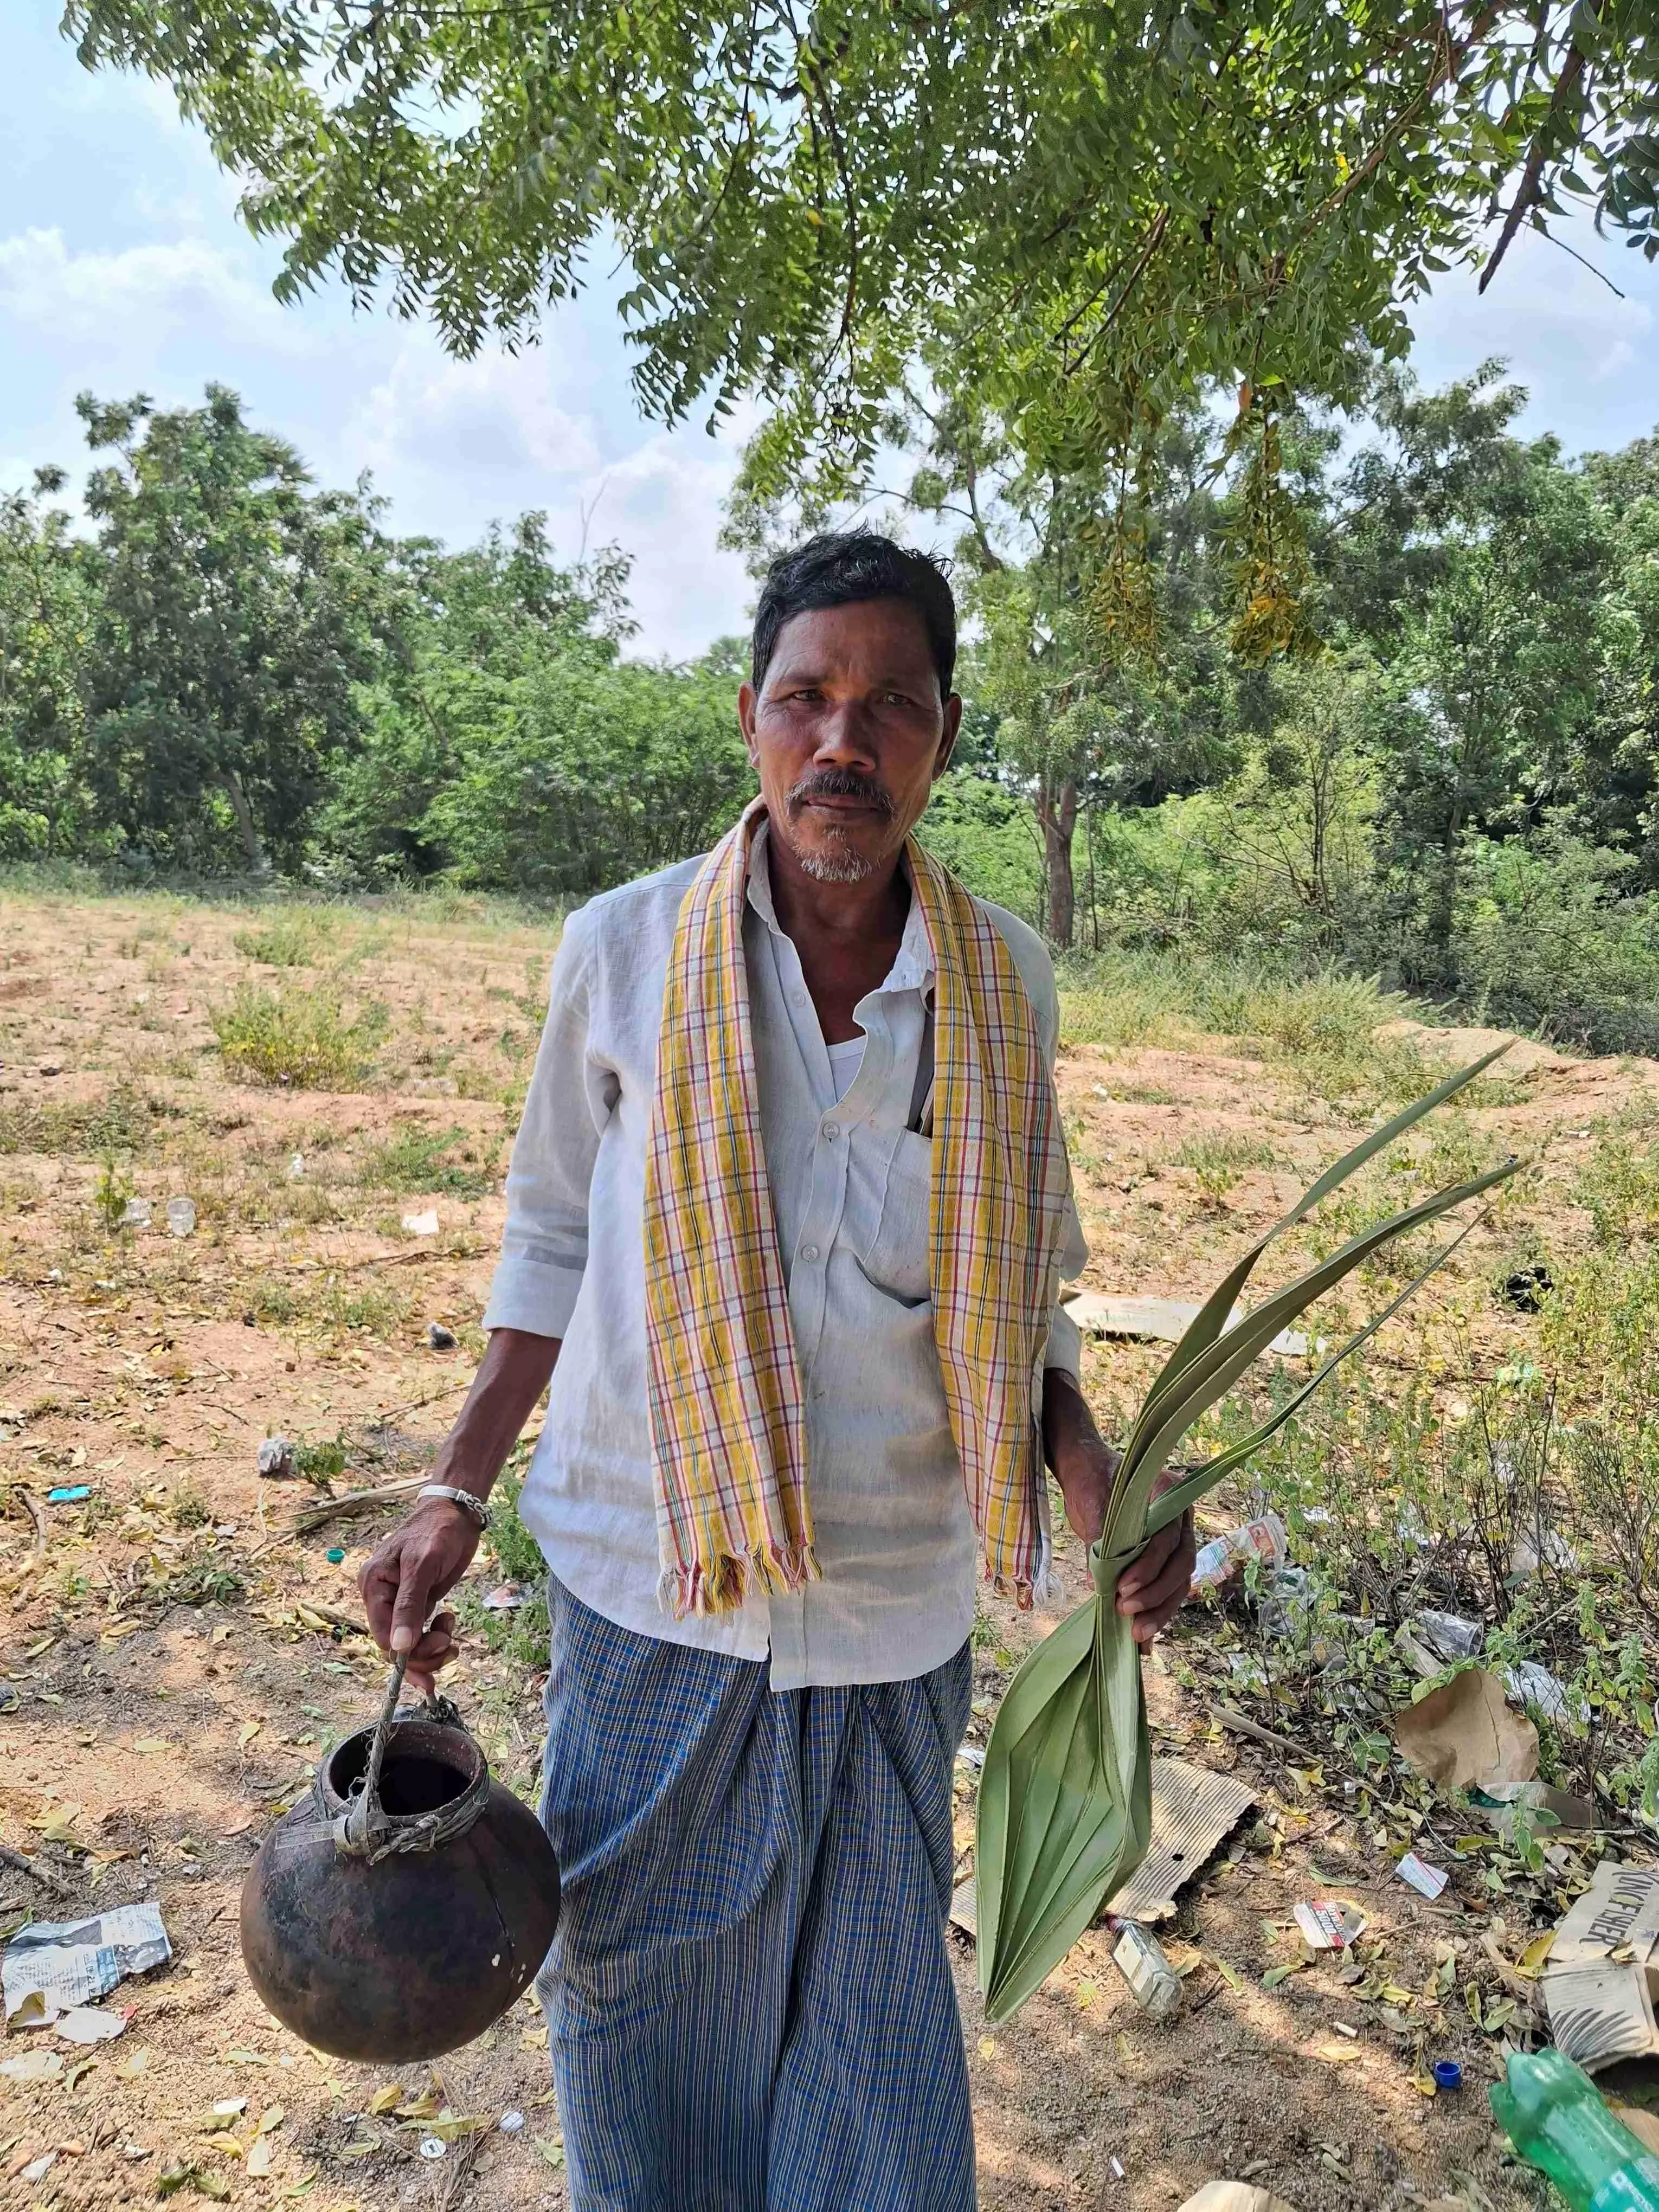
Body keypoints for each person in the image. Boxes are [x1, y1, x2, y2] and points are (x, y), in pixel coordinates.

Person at [359, 530, 1197, 2211]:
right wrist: (455, 1488)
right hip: (652, 1585)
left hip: (893, 1617)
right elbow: (549, 1243)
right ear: (750, 719)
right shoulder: (621, 950)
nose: (843, 742)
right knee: (646, 2038)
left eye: (889, 706)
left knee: (874, 2080)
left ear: (941, 739)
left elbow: (1015, 1284)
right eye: (807, 699)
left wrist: (1097, 1481)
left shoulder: (1000, 981)